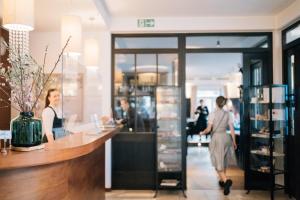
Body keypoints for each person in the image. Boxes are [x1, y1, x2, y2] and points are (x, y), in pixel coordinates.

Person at [200, 96, 237, 196]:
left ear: (216, 103)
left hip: (217, 138)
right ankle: (222, 182)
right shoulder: (229, 114)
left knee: (217, 162)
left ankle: (226, 180)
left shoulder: (212, 114)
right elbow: (232, 129)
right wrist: (234, 142)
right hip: (226, 137)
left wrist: (202, 132)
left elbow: (208, 129)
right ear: (224, 104)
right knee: (223, 161)